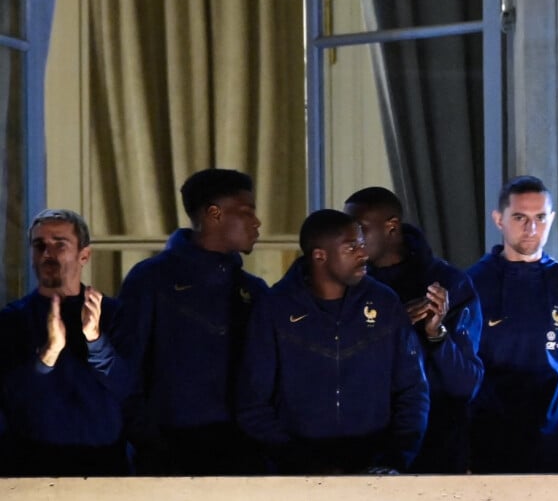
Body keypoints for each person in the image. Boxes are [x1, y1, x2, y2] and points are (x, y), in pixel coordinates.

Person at [236, 209, 429, 475]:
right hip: (296, 474)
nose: (364, 254)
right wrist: (295, 460)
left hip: (377, 468)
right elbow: (253, 401)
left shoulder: (385, 303)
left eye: (362, 245)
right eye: (352, 248)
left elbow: (413, 389)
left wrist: (395, 458)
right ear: (320, 256)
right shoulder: (274, 308)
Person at [116, 168, 268, 475]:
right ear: (215, 214)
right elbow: (125, 366)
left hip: (243, 452)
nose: (256, 222)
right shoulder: (152, 280)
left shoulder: (253, 290)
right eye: (246, 211)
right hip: (168, 451)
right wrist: (147, 440)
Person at [344, 187, 483, 473]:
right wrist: (391, 327)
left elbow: (466, 385)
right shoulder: (343, 283)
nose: (351, 240)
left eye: (359, 229)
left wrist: (436, 335)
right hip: (360, 448)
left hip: (436, 449)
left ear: (391, 227)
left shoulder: (449, 284)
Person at [0, 209, 128, 476]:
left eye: (60, 244)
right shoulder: (11, 320)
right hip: (30, 464)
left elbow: (128, 387)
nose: (48, 253)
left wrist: (95, 340)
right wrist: (48, 354)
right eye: (39, 245)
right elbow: (11, 397)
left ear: (84, 255)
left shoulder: (115, 314)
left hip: (105, 465)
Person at [467, 175, 558, 473]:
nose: (531, 228)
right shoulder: (471, 285)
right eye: (520, 217)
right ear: (499, 219)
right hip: (488, 440)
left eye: (540, 218)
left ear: (551, 219)